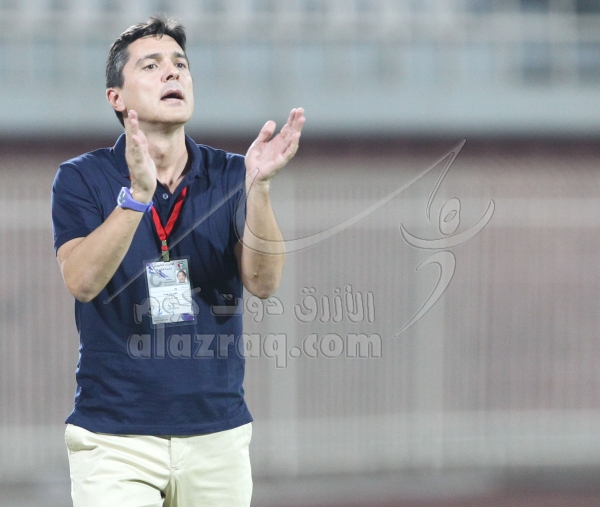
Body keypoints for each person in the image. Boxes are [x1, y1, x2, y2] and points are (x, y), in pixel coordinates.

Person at [51, 15, 304, 507]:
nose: (173, 72)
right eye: (151, 65)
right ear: (116, 97)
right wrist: (136, 197)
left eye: (180, 64)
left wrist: (259, 188)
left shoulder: (232, 173)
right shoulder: (82, 178)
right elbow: (81, 281)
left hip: (217, 432)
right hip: (115, 438)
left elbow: (264, 281)